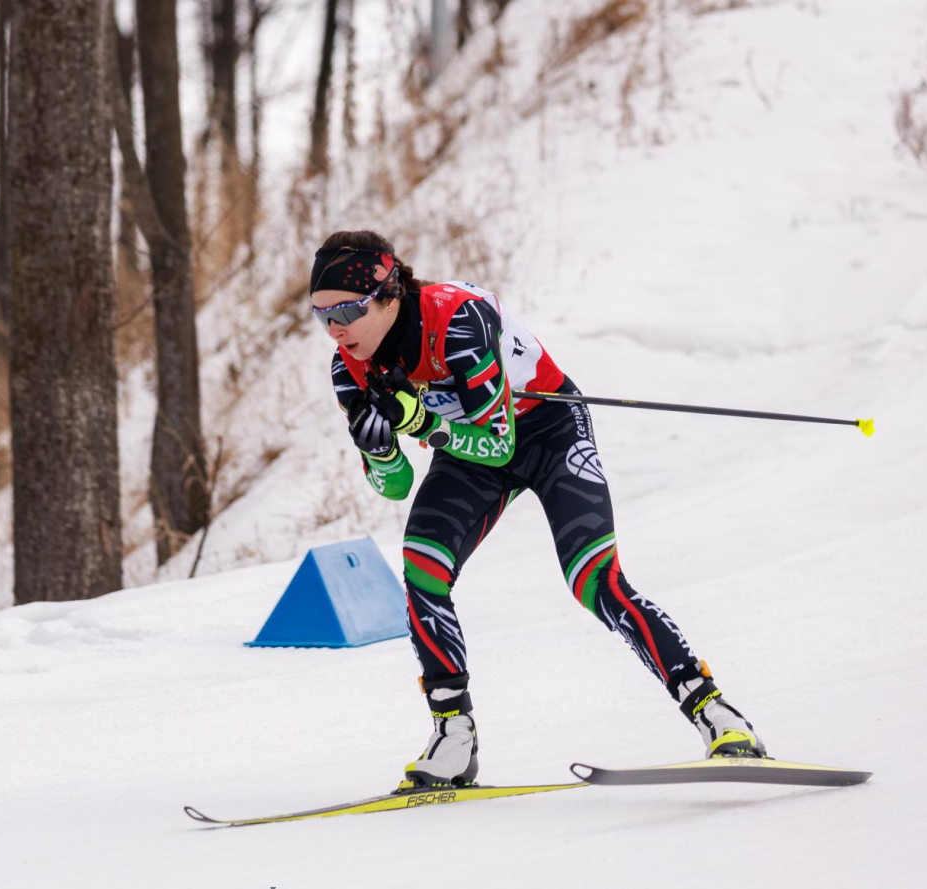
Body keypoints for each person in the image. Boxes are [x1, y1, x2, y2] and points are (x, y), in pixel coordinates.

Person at [310, 230, 766, 790]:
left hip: (546, 430)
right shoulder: (347, 369)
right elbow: (396, 485)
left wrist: (422, 423)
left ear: (388, 295)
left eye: (346, 311)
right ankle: (453, 735)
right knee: (422, 567)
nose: (334, 329)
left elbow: (499, 442)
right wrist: (378, 447)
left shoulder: (459, 319)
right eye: (320, 314)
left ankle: (717, 714)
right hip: (466, 451)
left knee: (593, 580)